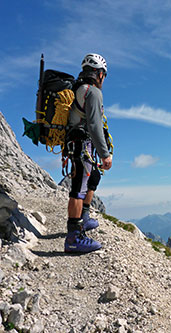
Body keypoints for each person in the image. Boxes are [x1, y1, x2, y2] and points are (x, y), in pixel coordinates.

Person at [64, 53, 112, 253]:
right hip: (82, 143)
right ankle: (73, 237)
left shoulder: (77, 89)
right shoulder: (92, 92)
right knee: (78, 187)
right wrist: (105, 154)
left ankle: (83, 219)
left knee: (92, 177)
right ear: (99, 74)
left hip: (77, 141)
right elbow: (94, 125)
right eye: (104, 76)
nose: (103, 80)